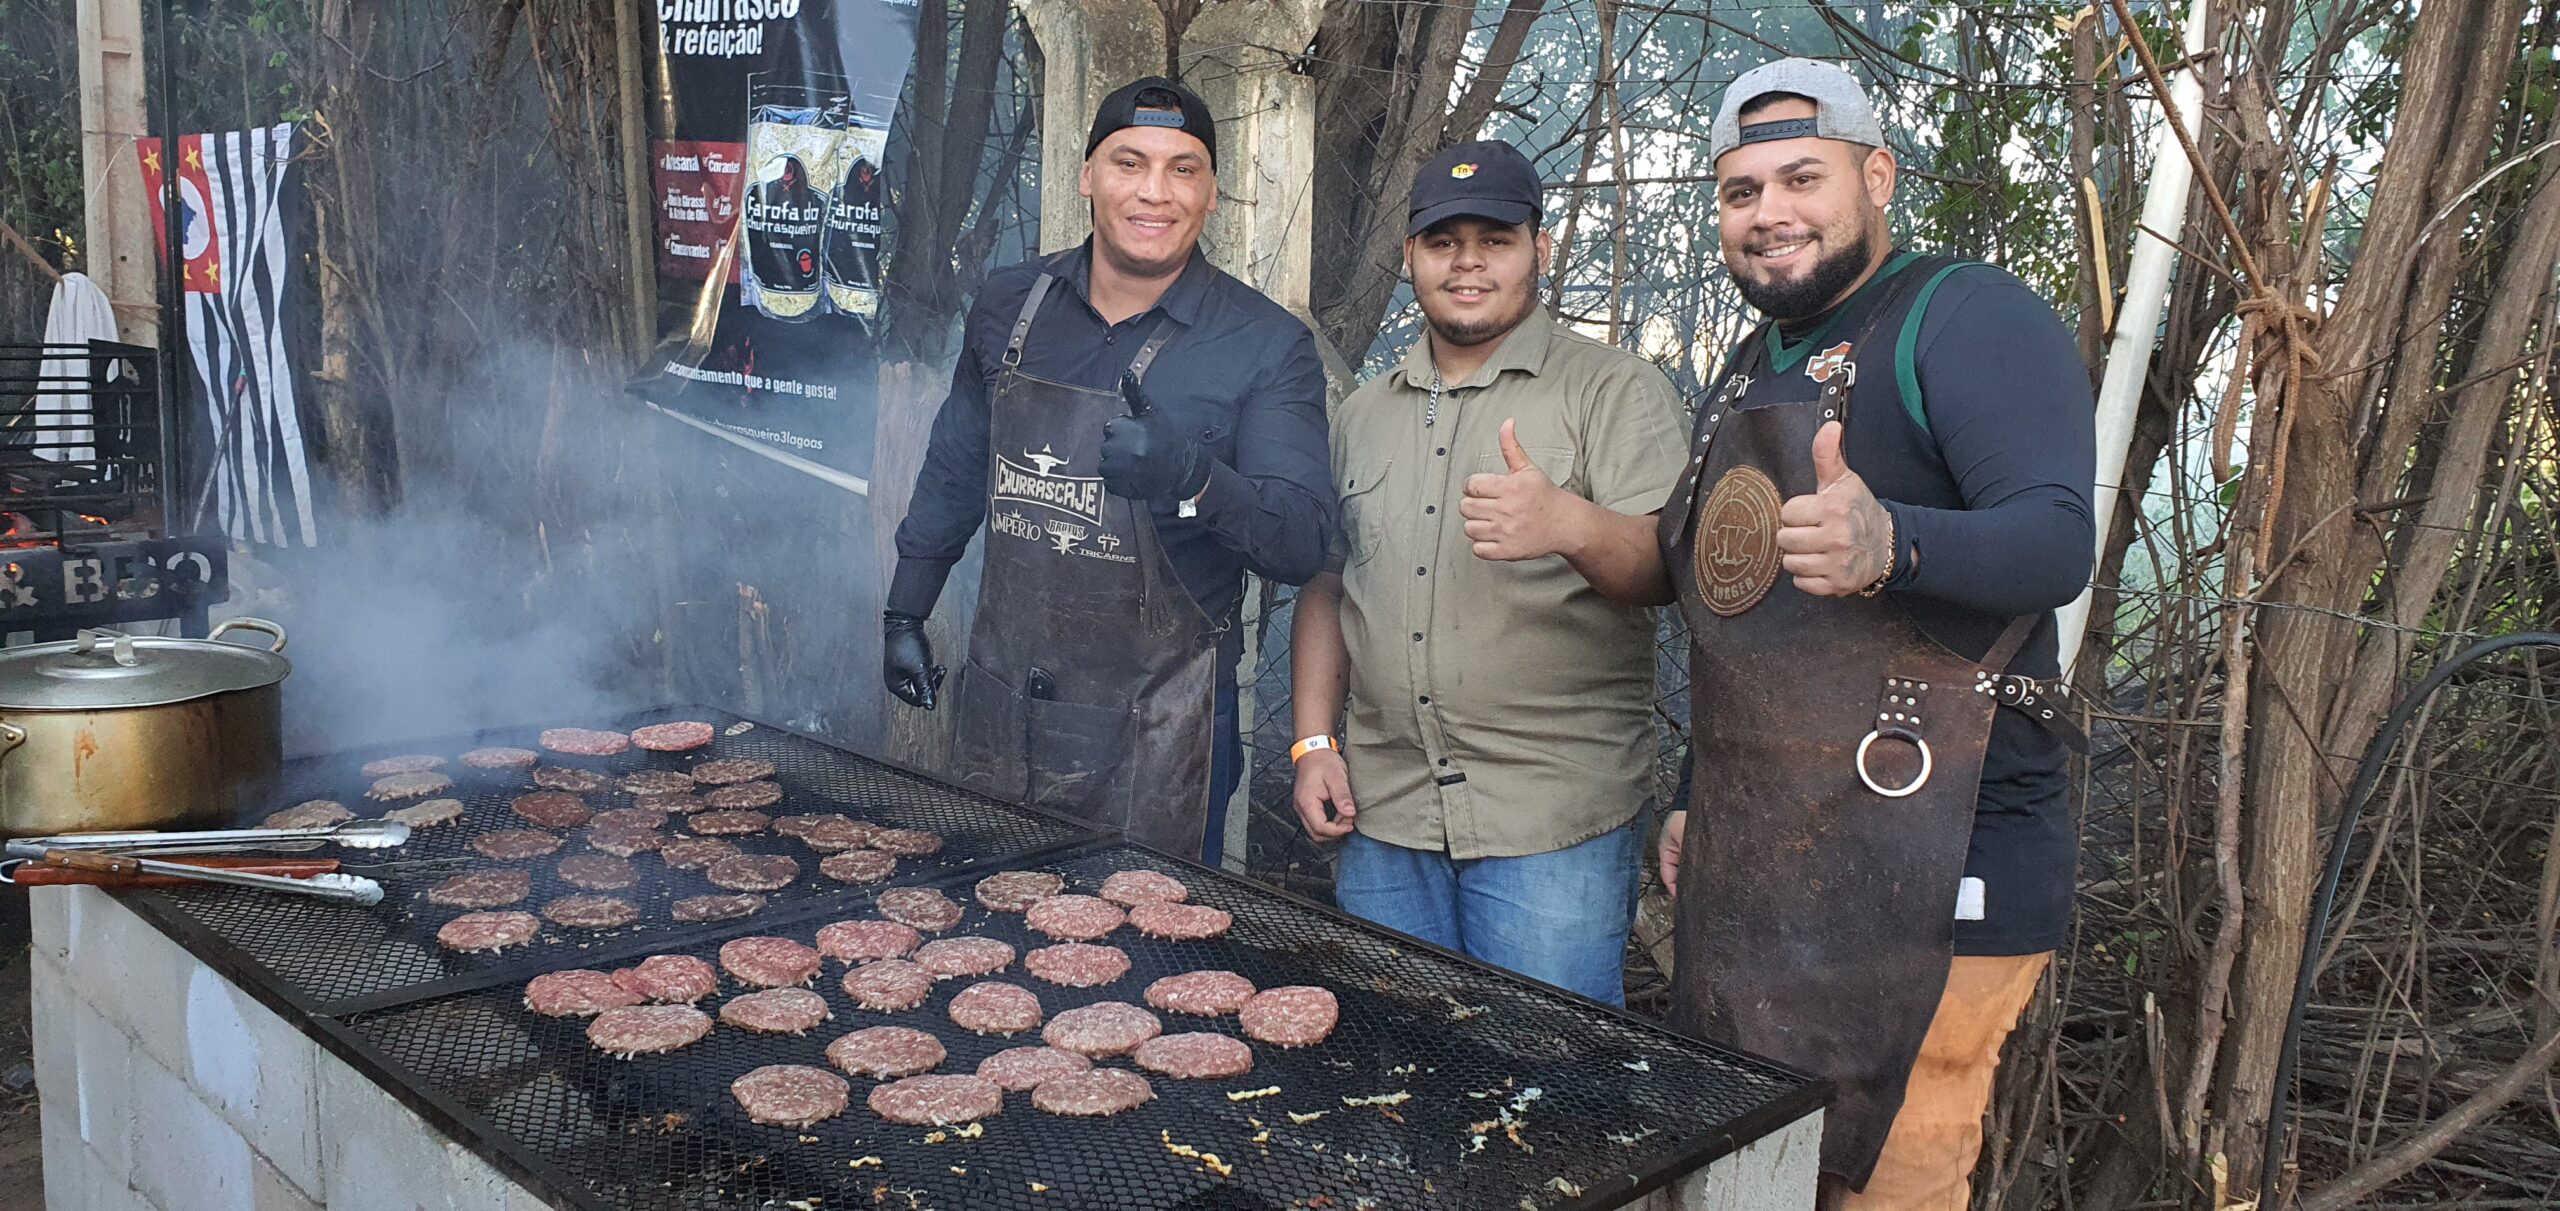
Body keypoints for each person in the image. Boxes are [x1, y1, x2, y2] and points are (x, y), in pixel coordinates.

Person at [1648, 58, 2096, 1207]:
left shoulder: (1964, 316)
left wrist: (1889, 542)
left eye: (1801, 177)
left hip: (1944, 839)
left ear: (1877, 176)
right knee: (1764, 1168)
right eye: (1741, 191)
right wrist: (1705, 788)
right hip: (1781, 848)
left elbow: (2054, 543)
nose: (1768, 214)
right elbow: (1743, 616)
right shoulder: (1757, 359)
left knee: (1890, 1174)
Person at [884, 76, 1334, 864]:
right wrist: (905, 610)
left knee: (1147, 968)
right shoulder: (1008, 305)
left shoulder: (1266, 346)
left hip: (1162, 731)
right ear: (1087, 176)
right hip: (1003, 708)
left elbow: (1301, 541)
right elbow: (956, 468)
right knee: (985, 952)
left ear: (1213, 194)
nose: (1153, 192)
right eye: (1129, 162)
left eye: (1183, 169)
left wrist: (1194, 475)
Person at [1288, 140, 1688, 1007]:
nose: (1467, 262)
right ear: (1410, 258)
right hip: (1383, 814)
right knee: (1399, 1072)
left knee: (1546, 1083)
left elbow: (1667, 568)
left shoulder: (1613, 390)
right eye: (1443, 241)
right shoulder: (1362, 413)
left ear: (1540, 250)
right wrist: (1314, 741)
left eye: (1495, 239)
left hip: (1550, 825)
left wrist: (1567, 523)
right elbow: (1329, 583)